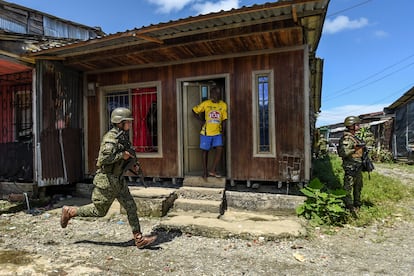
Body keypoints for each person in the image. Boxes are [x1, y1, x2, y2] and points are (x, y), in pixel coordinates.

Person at [60, 107, 157, 249]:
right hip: (107, 181)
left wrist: (132, 165)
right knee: (99, 211)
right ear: (119, 122)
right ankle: (70, 212)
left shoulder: (122, 136)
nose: (130, 124)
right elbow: (103, 159)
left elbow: (125, 155)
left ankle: (138, 238)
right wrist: (121, 156)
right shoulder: (110, 139)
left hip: (118, 179)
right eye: (127, 122)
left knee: (131, 207)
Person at [192, 86, 227, 179]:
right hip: (206, 133)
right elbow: (194, 110)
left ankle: (213, 170)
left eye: (218, 93)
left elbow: (224, 120)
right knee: (205, 151)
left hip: (217, 132)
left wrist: (223, 132)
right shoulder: (206, 104)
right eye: (215, 93)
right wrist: (201, 121)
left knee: (220, 149)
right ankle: (205, 172)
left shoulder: (223, 105)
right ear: (211, 94)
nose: (217, 95)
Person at [338, 115, 366, 211]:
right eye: (357, 124)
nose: (359, 126)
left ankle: (357, 204)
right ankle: (348, 206)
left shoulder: (355, 137)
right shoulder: (347, 139)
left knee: (358, 186)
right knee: (348, 187)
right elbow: (343, 153)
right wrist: (355, 148)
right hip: (350, 166)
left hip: (357, 165)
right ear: (351, 126)